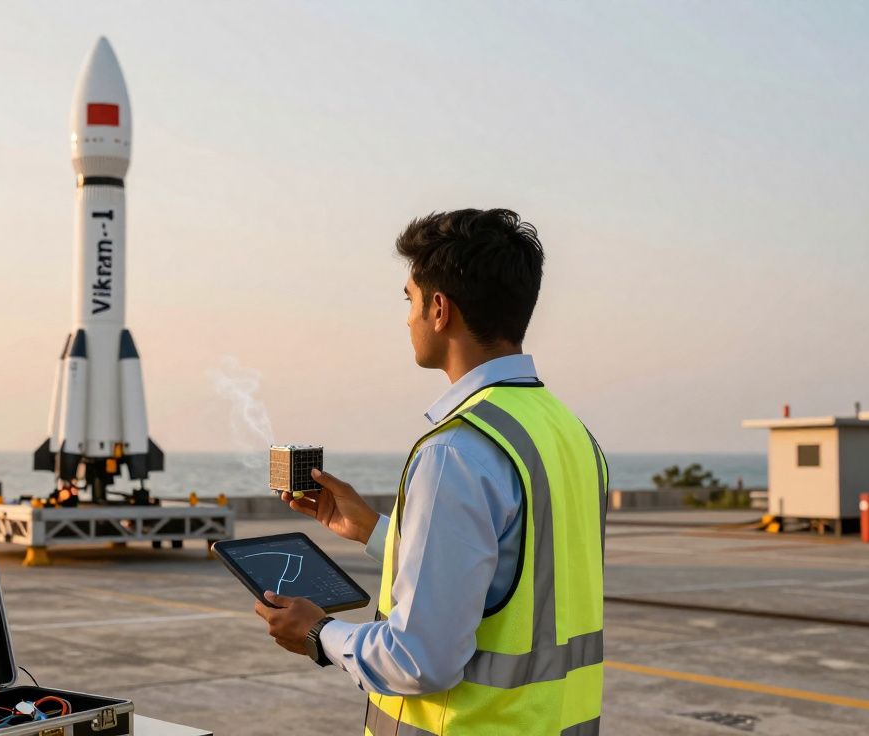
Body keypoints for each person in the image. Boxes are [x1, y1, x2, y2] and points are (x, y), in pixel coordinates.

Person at [254, 209, 607, 735]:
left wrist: (319, 632)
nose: (407, 318)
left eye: (409, 300)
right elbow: (515, 571)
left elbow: (421, 660)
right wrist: (376, 532)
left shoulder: (456, 451)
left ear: (439, 309)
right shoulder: (573, 435)